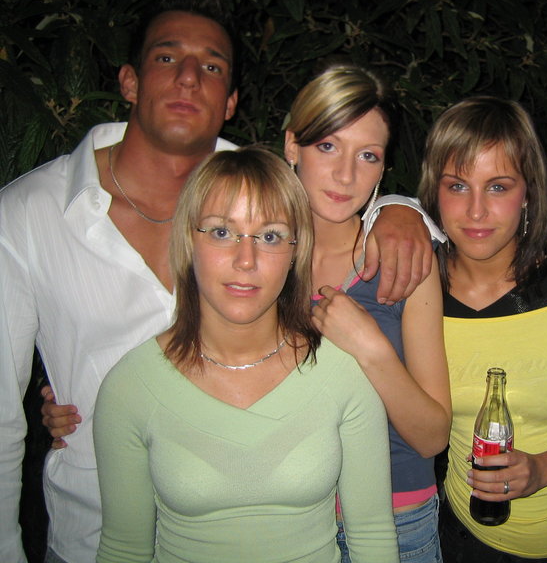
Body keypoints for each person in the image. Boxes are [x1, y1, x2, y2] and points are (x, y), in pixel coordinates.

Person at [0, 0, 431, 563]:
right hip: (93, 520)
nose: (187, 78)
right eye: (166, 57)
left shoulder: (261, 193)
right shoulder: (28, 215)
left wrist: (403, 209)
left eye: (210, 66)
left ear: (231, 101)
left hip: (299, 513)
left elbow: (332, 180)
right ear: (129, 80)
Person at [93, 145, 398, 562]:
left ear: (295, 251)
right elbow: (124, 549)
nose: (245, 260)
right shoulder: (132, 386)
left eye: (270, 236)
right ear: (188, 239)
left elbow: (373, 537)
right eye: (222, 232)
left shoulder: (343, 373)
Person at [418, 96, 547, 562]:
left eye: (498, 186)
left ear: (527, 192)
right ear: (435, 191)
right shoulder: (418, 293)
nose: (475, 211)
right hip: (462, 538)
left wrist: (542, 469)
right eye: (457, 186)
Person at [286, 64, 451, 562]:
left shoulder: (405, 262)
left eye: (367, 156)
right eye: (327, 146)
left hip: (396, 516)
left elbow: (432, 436)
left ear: (383, 168)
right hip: (285, 517)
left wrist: (370, 348)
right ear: (292, 146)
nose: (345, 175)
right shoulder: (259, 260)